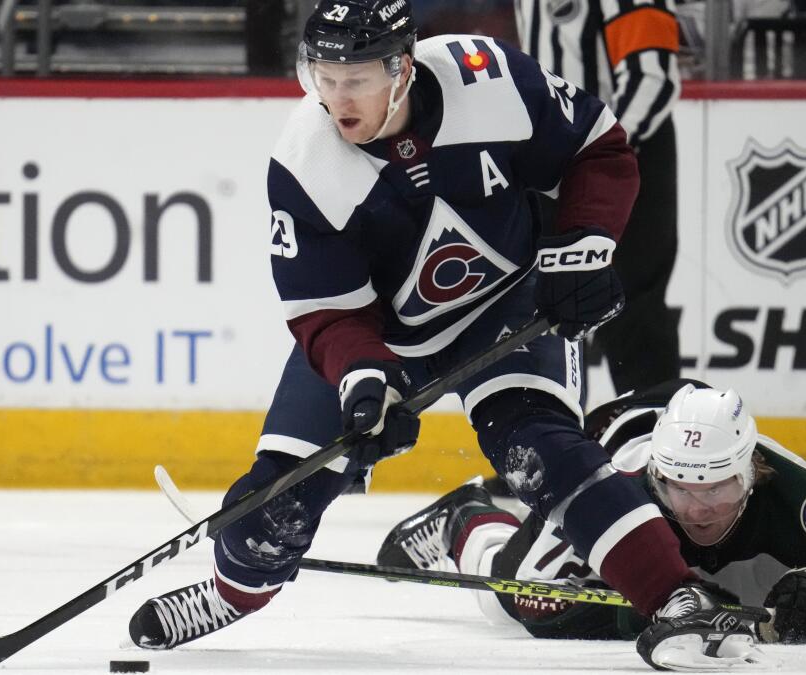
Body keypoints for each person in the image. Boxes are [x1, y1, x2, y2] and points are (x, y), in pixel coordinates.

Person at [128, 2, 743, 667]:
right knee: (273, 505)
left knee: (544, 451)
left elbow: (599, 147)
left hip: (504, 306)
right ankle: (234, 589)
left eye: (356, 78)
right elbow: (326, 313)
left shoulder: (490, 81)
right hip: (382, 335)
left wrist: (582, 250)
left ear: (404, 68)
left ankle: (679, 598)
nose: (337, 99)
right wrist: (367, 379)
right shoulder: (304, 162)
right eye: (323, 77)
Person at [379, 380, 806, 668]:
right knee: (503, 596)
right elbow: (535, 598)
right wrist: (658, 609)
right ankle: (465, 516)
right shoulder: (622, 491)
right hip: (613, 431)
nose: (698, 509)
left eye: (718, 488)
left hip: (673, 414)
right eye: (679, 489)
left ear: (752, 471)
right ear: (656, 477)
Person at [514, 0, 683, 394]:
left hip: (623, 158)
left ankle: (654, 439)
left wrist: (597, 155)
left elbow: (652, 78)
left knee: (633, 311)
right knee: (550, 314)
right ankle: (562, 443)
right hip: (551, 158)